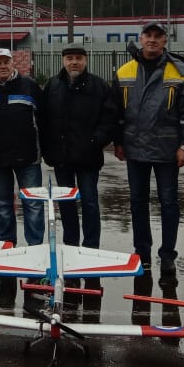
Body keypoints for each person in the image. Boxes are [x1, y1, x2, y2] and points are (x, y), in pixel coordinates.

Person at [112, 21, 184, 279]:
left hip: (167, 150)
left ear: (165, 41)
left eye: (157, 36)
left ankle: (168, 255)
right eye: (147, 35)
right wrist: (118, 142)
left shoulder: (179, 71)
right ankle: (142, 252)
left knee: (169, 202)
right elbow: (116, 111)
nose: (152, 39)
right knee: (137, 202)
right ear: (140, 38)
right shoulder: (124, 71)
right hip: (135, 149)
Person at [40, 44, 118, 248]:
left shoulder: (99, 86)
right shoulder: (53, 86)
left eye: (78, 58)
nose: (74, 62)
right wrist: (48, 149)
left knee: (90, 202)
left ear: (85, 60)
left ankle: (91, 246)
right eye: (69, 58)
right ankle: (70, 244)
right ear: (63, 61)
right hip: (61, 157)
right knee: (66, 203)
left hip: (88, 157)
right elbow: (44, 119)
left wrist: (96, 141)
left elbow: (110, 118)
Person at [0, 48, 44, 246]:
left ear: (13, 63)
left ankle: (35, 247)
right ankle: (7, 246)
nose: (3, 66)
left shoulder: (29, 86)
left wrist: (44, 149)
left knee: (33, 204)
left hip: (28, 158)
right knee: (3, 206)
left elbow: (45, 119)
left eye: (6, 62)